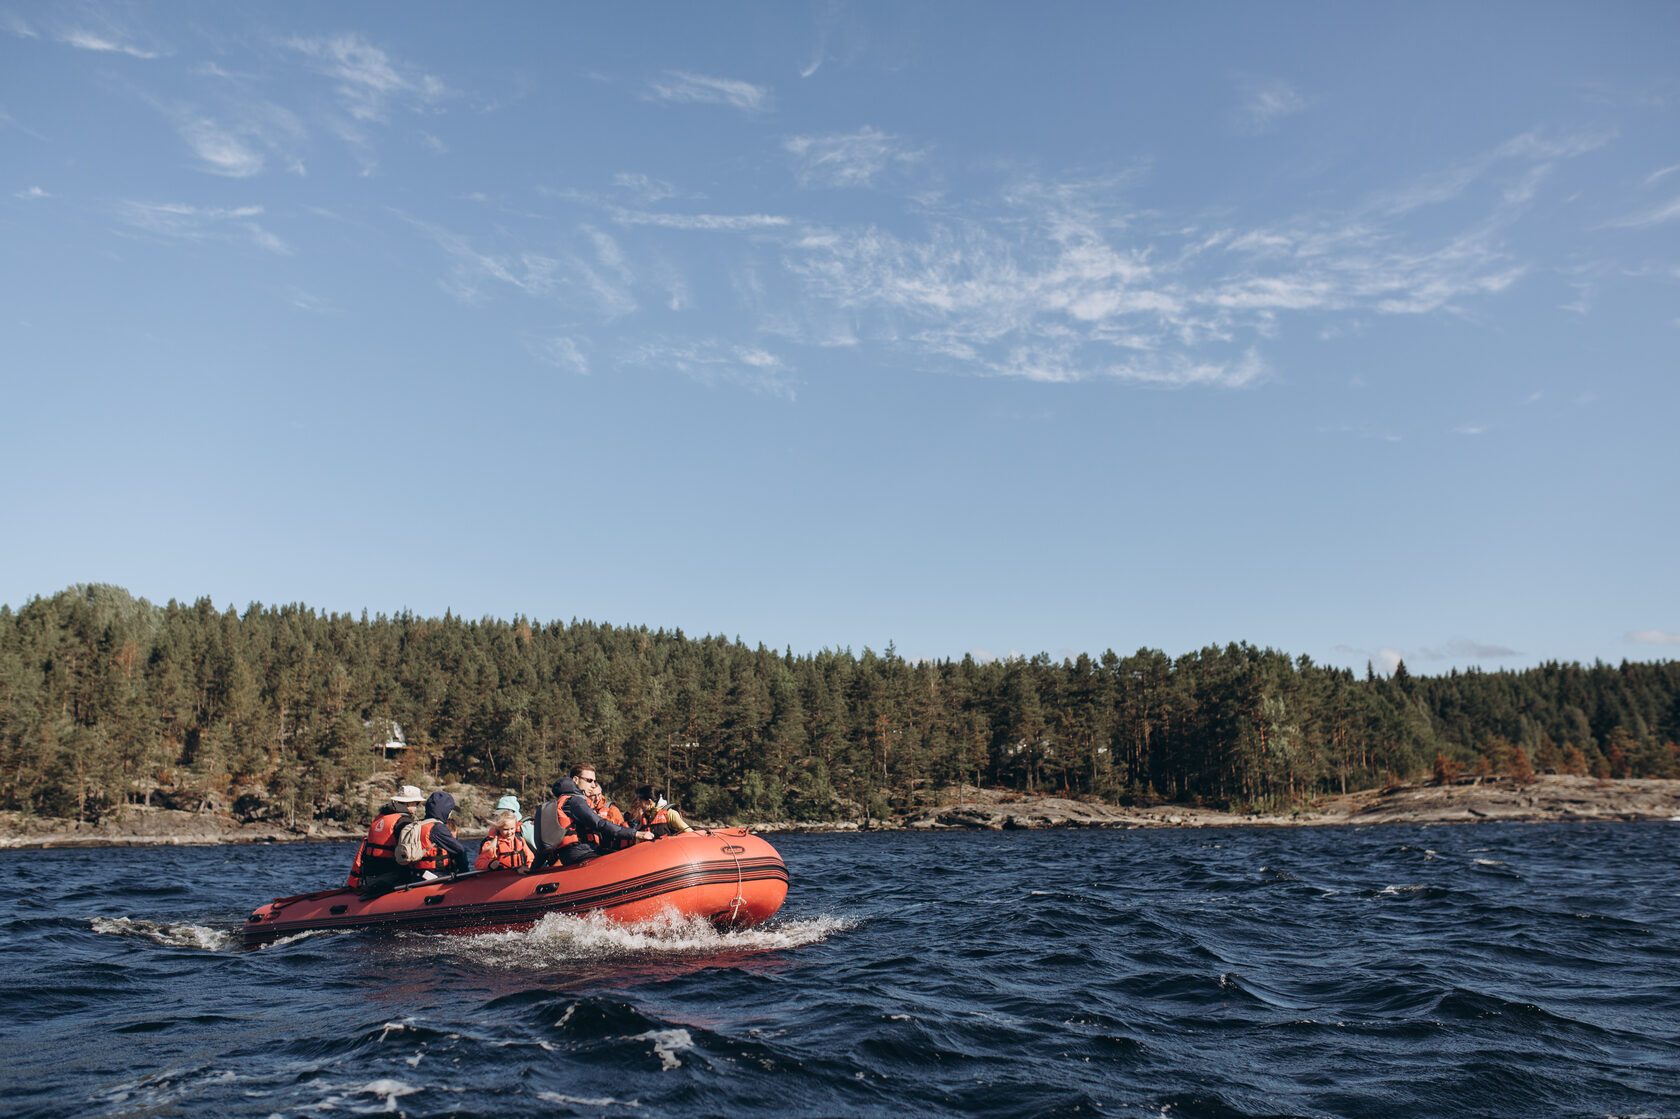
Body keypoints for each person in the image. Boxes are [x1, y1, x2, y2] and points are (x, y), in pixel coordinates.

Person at [532, 763, 652, 868]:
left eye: (594, 781)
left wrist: (533, 868)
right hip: (582, 854)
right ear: (575, 780)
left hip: (573, 855)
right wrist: (635, 833)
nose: (593, 785)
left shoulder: (562, 802)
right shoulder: (575, 802)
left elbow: (549, 841)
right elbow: (599, 823)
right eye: (589, 780)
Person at [346, 784, 426, 892]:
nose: (417, 806)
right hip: (390, 878)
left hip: (370, 877)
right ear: (408, 803)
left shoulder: (379, 817)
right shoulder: (404, 822)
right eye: (417, 803)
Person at [406, 790, 472, 879]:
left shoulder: (418, 824)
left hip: (415, 875)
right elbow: (459, 850)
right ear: (444, 811)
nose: (450, 814)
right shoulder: (438, 828)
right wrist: (465, 873)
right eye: (450, 810)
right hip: (435, 876)